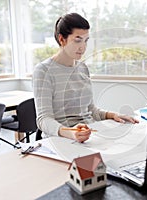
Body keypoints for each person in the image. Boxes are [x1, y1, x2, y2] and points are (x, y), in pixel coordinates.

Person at [33, 13, 138, 143]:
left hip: (90, 134)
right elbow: (43, 119)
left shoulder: (82, 68)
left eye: (86, 40)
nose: (83, 47)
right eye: (77, 40)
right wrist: (70, 133)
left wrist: (113, 115)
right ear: (62, 39)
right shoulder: (43, 70)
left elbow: (91, 110)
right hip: (62, 140)